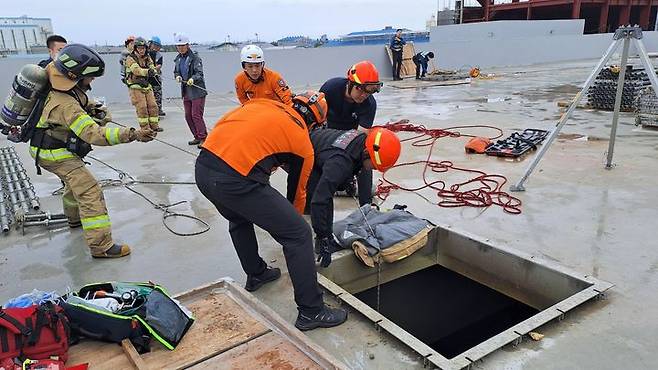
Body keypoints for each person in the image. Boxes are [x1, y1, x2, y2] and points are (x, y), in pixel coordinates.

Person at [195, 91, 348, 331]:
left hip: (203, 169)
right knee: (298, 234)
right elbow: (297, 195)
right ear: (316, 124)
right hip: (235, 179)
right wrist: (289, 225)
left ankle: (257, 274)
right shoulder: (302, 142)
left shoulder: (263, 103)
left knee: (238, 217)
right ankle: (311, 311)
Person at [30, 44, 154, 258]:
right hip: (55, 153)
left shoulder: (56, 77)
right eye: (90, 77)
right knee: (89, 190)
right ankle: (101, 246)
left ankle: (74, 219)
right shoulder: (65, 105)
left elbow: (81, 101)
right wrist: (132, 134)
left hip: (46, 146)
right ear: (76, 76)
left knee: (73, 183)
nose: (92, 81)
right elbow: (94, 134)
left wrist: (95, 108)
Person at [306, 127, 401, 268]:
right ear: (367, 153)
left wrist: (348, 178)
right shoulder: (340, 163)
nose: (372, 169)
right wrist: (323, 237)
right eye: (374, 166)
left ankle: (327, 237)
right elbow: (319, 201)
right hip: (304, 153)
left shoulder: (362, 141)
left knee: (328, 191)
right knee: (321, 196)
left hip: (321, 147)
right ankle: (322, 241)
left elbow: (355, 159)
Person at [319, 60, 382, 206]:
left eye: (369, 92)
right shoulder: (330, 88)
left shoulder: (369, 104)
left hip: (352, 133)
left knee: (363, 159)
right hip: (329, 129)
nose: (363, 96)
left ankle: (366, 206)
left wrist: (353, 164)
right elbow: (317, 117)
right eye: (360, 90)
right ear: (350, 83)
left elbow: (361, 137)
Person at [174, 33, 208, 147]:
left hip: (197, 91)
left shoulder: (195, 58)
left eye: (183, 46)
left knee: (196, 115)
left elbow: (199, 73)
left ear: (187, 45)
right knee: (188, 115)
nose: (180, 48)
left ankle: (204, 138)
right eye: (178, 46)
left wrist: (193, 79)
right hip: (186, 91)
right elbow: (176, 71)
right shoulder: (178, 59)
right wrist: (177, 76)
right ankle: (197, 136)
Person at [124, 37, 162, 132]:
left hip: (146, 85)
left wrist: (153, 71)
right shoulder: (130, 58)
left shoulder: (147, 57)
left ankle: (154, 126)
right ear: (136, 48)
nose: (141, 50)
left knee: (153, 106)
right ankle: (145, 129)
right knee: (142, 107)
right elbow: (136, 71)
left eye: (143, 48)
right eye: (139, 48)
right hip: (135, 86)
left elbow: (152, 67)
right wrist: (148, 72)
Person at [148, 36, 165, 116]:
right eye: (155, 45)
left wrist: (154, 69)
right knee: (149, 95)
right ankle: (150, 111)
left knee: (158, 94)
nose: (156, 47)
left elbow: (159, 65)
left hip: (156, 77)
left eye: (158, 46)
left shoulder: (159, 55)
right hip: (147, 78)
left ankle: (159, 110)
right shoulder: (145, 53)